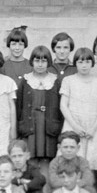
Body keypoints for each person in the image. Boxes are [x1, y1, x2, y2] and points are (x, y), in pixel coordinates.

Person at [15, 45, 62, 173]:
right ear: (32, 61)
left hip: (48, 128)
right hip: (31, 127)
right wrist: (20, 126)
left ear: (48, 62)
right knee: (31, 159)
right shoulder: (26, 80)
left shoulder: (55, 81)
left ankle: (46, 191)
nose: (40, 64)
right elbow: (19, 106)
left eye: (43, 61)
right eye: (37, 61)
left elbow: (60, 108)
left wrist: (58, 126)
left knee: (47, 160)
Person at [60, 47, 97, 169]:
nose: (84, 65)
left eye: (87, 62)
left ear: (92, 63)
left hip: (92, 126)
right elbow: (63, 105)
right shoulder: (68, 81)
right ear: (75, 63)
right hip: (73, 124)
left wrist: (93, 128)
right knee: (71, 159)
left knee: (92, 162)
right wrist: (75, 127)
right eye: (80, 62)